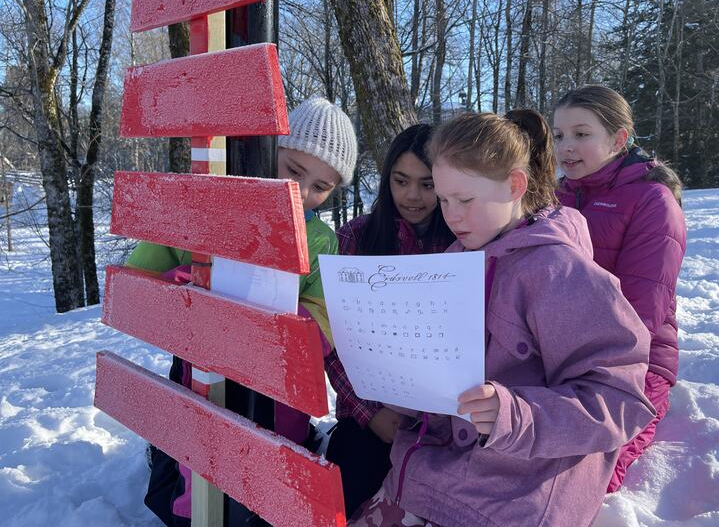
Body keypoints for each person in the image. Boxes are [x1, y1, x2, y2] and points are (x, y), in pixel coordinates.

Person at [349, 110, 656, 527]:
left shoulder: (559, 273)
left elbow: (621, 400)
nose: (452, 215)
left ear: (515, 186)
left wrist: (513, 414)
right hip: (425, 480)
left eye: (465, 200)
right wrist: (402, 383)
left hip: (512, 500)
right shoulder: (455, 261)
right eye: (444, 200)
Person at [129, 96, 358, 527]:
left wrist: (287, 322)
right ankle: (192, 509)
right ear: (270, 153)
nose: (303, 193)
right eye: (293, 170)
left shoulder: (320, 240)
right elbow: (141, 279)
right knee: (202, 450)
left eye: (321, 186)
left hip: (275, 383)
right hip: (201, 367)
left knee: (273, 451)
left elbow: (324, 317)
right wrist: (188, 284)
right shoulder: (208, 208)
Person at [552, 84, 686, 492]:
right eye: (558, 135)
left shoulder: (652, 201)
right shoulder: (553, 198)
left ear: (618, 139)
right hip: (557, 352)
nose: (566, 147)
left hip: (635, 361)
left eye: (581, 134)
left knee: (589, 473)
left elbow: (642, 312)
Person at [326, 124, 455, 517]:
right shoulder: (355, 239)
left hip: (442, 421)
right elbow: (330, 337)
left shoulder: (460, 241)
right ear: (386, 181)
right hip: (369, 414)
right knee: (343, 501)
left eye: (427, 184)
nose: (412, 196)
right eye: (401, 181)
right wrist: (370, 413)